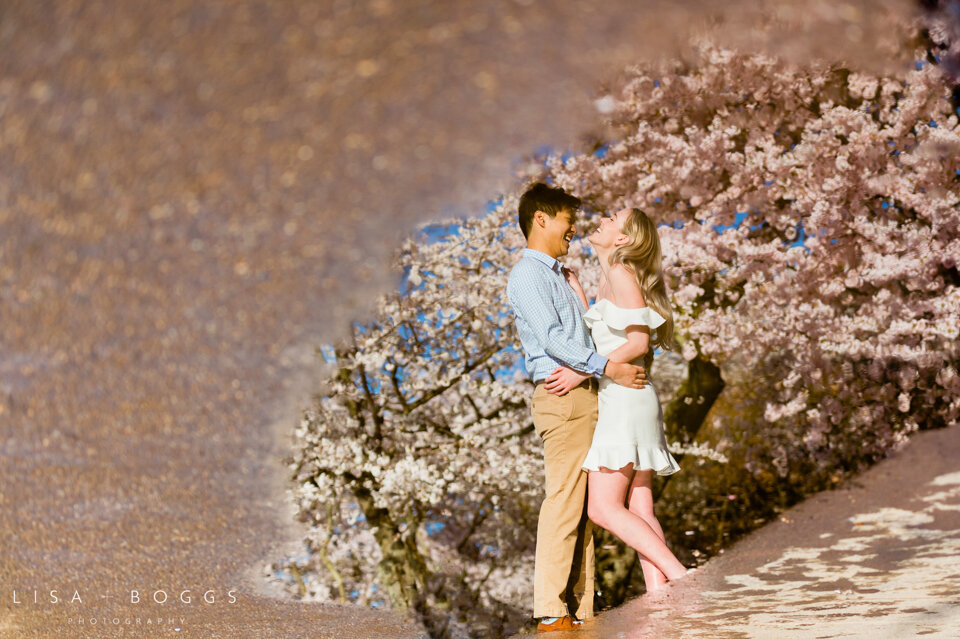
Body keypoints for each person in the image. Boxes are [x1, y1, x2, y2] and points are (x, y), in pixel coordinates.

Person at [505, 184, 649, 633]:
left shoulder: (560, 275)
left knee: (585, 507)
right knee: (565, 500)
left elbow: (579, 335)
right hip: (562, 399)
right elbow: (552, 339)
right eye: (568, 218)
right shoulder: (528, 275)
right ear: (541, 219)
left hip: (584, 394)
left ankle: (579, 607)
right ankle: (551, 609)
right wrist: (608, 368)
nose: (574, 227)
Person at [548, 207, 693, 593]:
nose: (603, 219)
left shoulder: (619, 273)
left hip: (626, 401)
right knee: (640, 509)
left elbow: (638, 342)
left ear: (623, 239)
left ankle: (680, 577)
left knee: (602, 508)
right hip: (633, 398)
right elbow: (608, 330)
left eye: (613, 218)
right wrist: (580, 294)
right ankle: (661, 596)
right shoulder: (609, 277)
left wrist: (583, 370)